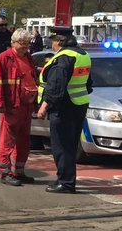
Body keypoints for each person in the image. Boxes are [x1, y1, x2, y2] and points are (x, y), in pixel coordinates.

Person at [36, 26, 92, 194]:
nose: (51, 44)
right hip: (79, 104)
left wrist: (44, 106)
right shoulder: (83, 55)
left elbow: (56, 86)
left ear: (59, 41)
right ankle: (66, 179)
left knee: (61, 146)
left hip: (64, 107)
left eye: (52, 41)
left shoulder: (63, 58)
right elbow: (88, 84)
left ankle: (66, 183)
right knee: (70, 145)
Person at [0, 28, 39, 186]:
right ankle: (4, 173)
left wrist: (35, 104)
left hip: (26, 106)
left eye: (28, 44)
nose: (26, 47)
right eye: (23, 44)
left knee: (23, 141)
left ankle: (19, 171)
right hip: (12, 106)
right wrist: (0, 103)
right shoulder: (4, 58)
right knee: (7, 141)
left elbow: (33, 79)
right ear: (14, 43)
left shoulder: (29, 58)